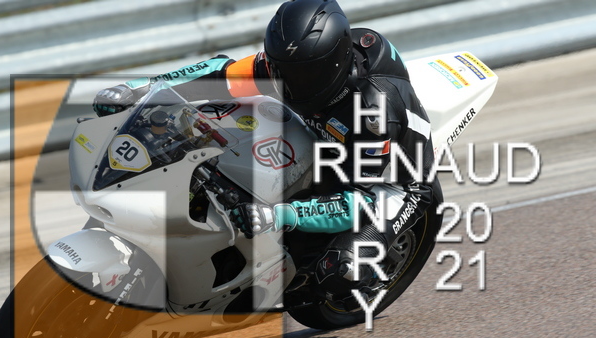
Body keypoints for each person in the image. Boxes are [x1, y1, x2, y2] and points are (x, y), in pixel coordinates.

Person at [93, 0, 442, 307]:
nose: (289, 82)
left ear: (333, 64)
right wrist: (138, 90)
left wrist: (279, 216)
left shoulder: (373, 114)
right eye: (281, 69)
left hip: (397, 187)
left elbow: (365, 200)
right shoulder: (292, 62)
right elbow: (220, 72)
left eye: (303, 75)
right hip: (329, 136)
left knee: (342, 268)